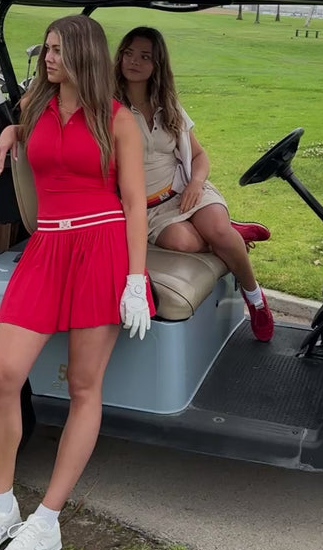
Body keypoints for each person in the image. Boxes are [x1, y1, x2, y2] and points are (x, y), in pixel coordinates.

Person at [0, 15, 154, 550]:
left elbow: (136, 203)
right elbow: (30, 135)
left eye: (57, 51)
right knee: (2, 375)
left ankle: (46, 521)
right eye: (45, 50)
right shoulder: (33, 107)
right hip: (46, 251)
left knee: (84, 386)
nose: (48, 59)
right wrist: (10, 131)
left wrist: (136, 281)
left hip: (101, 250)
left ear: (85, 56)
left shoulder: (118, 121)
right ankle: (0, 508)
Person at [114, 26, 274, 343]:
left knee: (216, 231)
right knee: (187, 242)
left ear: (156, 65)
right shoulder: (109, 108)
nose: (134, 61)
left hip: (186, 190)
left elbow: (199, 156)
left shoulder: (168, 106)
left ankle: (256, 300)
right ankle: (233, 234)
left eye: (144, 56)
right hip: (149, 209)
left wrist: (196, 184)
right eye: (129, 53)